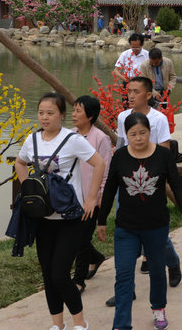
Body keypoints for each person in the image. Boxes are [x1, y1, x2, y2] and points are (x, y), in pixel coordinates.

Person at [14, 92, 105, 330]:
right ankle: (57, 325)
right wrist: (28, 189)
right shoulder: (32, 139)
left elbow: (99, 163)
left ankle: (80, 323)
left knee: (59, 275)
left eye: (50, 113)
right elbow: (20, 162)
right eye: (41, 113)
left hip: (69, 218)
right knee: (48, 275)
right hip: (43, 218)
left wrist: (92, 198)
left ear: (62, 115)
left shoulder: (72, 139)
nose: (44, 117)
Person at [99, 111, 182, 330]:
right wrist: (101, 220)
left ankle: (159, 308)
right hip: (126, 227)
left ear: (150, 132)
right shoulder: (120, 156)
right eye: (133, 134)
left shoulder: (163, 155)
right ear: (126, 135)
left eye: (143, 133)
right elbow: (110, 189)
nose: (138, 138)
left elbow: (177, 186)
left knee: (157, 270)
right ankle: (121, 324)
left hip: (156, 225)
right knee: (123, 275)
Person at [70, 95, 113, 293]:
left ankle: (79, 280)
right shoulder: (70, 135)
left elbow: (106, 168)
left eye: (78, 111)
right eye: (73, 110)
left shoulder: (100, 138)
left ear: (90, 116)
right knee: (78, 237)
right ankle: (95, 257)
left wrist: (101, 194)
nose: (73, 114)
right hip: (72, 197)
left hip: (91, 197)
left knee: (81, 238)